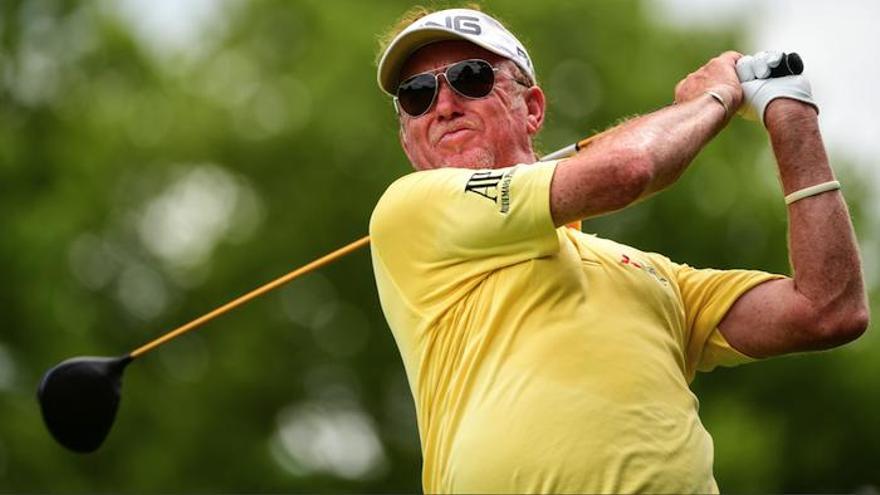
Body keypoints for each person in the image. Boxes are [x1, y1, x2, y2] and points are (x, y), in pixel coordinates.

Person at [368, 6, 868, 493]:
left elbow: (829, 309)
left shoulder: (650, 275)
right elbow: (628, 170)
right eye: (417, 95)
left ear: (532, 109)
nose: (444, 104)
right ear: (407, 137)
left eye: (471, 77)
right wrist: (712, 98)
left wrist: (791, 115)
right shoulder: (409, 211)